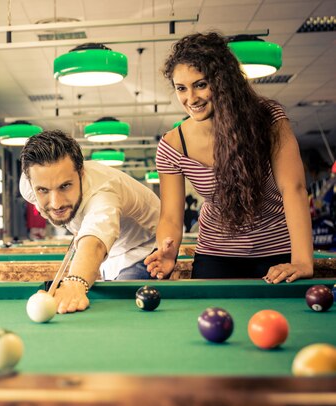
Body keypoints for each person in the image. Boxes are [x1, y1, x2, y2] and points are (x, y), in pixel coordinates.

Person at [144, 32, 313, 283]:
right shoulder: (172, 146)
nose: (191, 99)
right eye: (181, 88)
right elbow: (170, 216)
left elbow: (294, 188)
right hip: (216, 254)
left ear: (223, 81)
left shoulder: (268, 120)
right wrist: (168, 251)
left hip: (276, 250)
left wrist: (301, 261)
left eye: (200, 84)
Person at [19, 130, 160, 313]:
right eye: (43, 190)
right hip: (112, 247)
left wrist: (74, 284)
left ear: (81, 173)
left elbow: (94, 243)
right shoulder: (28, 185)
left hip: (144, 246)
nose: (56, 202)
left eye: (65, 186)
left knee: (120, 308)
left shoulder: (103, 192)